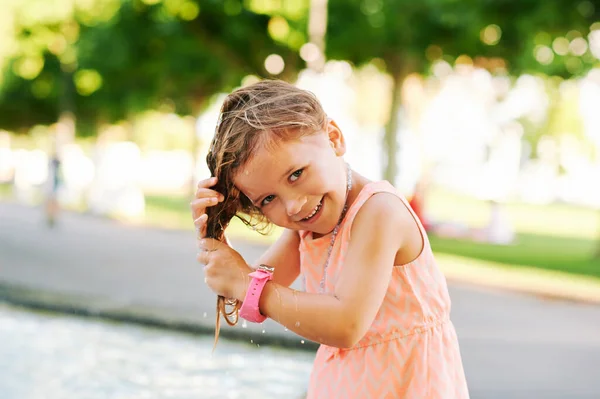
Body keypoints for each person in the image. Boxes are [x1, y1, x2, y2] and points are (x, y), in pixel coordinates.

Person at [191, 80, 470, 398]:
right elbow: (249, 302)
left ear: (334, 138)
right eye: (268, 199)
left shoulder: (380, 212)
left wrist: (241, 281)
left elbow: (346, 324)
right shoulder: (306, 227)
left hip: (409, 386)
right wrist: (215, 239)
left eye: (296, 174)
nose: (293, 206)